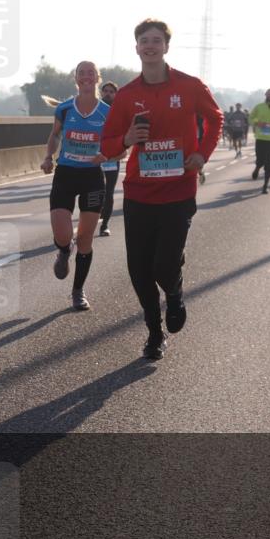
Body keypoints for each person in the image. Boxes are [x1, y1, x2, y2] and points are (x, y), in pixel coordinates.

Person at [101, 18, 223, 360]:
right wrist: (126, 139)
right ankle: (155, 334)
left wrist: (202, 154)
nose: (150, 45)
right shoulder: (126, 96)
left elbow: (215, 118)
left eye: (157, 40)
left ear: (166, 47)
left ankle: (175, 291)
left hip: (178, 192)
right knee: (139, 270)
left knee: (164, 267)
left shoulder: (190, 86)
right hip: (139, 193)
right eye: (144, 40)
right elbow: (108, 144)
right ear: (137, 47)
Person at [41, 61, 113, 311]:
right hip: (66, 175)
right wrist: (48, 156)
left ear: (97, 78)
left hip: (92, 177)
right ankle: (63, 250)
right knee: (63, 235)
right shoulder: (64, 109)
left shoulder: (106, 111)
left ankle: (78, 291)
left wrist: (107, 153)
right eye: (81, 73)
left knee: (85, 239)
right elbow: (55, 135)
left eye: (90, 72)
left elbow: (115, 142)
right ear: (76, 78)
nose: (86, 76)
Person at [98, 81, 124, 236]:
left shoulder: (119, 112)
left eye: (111, 91)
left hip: (112, 159)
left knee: (109, 193)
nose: (108, 93)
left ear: (116, 94)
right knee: (95, 192)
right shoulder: (96, 109)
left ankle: (105, 225)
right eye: (105, 91)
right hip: (94, 158)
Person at [249, 89, 270, 194]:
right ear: (265, 95)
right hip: (260, 138)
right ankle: (257, 168)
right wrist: (257, 123)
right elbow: (250, 118)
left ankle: (265, 186)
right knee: (260, 160)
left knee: (269, 163)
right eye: (269, 94)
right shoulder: (259, 106)